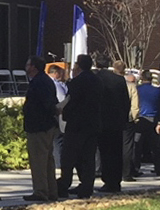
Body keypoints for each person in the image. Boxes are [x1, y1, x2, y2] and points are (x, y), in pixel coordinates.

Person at [57, 54, 101, 197]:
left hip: (77, 125)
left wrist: (65, 114)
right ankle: (86, 186)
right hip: (93, 124)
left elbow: (72, 102)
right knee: (88, 157)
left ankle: (64, 184)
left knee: (69, 156)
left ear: (79, 66)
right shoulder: (97, 81)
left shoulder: (76, 82)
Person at [93, 54, 134, 193]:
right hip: (117, 121)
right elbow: (125, 101)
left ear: (96, 64)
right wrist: (123, 117)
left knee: (104, 153)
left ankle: (107, 180)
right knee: (116, 152)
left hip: (102, 120)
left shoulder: (97, 79)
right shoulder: (119, 80)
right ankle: (115, 181)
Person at [21, 56, 59, 202]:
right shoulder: (46, 80)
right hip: (47, 125)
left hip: (38, 126)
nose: (26, 67)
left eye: (28, 64)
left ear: (34, 67)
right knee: (48, 160)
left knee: (38, 160)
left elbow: (44, 104)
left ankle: (41, 191)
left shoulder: (38, 82)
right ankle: (51, 190)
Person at [136, 70, 160, 176]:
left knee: (137, 145)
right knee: (156, 146)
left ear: (142, 79)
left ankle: (135, 167)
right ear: (152, 79)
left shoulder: (137, 90)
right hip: (153, 119)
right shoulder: (157, 91)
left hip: (140, 119)